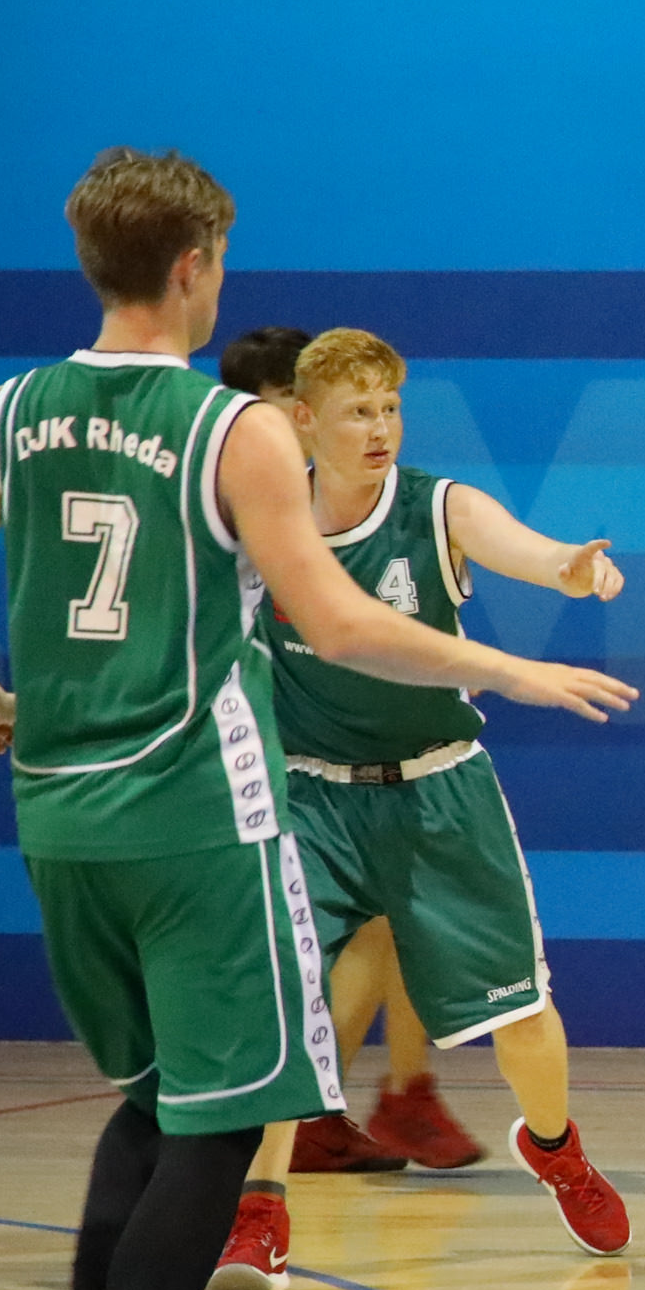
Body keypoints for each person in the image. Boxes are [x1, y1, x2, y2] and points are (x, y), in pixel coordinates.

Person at [0, 149, 634, 1290]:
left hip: (56, 816)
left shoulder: (8, 413)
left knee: (155, 1097)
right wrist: (514, 671)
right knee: (226, 1120)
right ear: (194, 268)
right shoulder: (235, 432)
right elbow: (337, 623)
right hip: (200, 820)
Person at [209, 324, 631, 1290]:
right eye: (357, 411)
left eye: (390, 408)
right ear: (302, 420)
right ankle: (259, 1210)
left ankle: (555, 1147)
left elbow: (526, 548)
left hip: (438, 788)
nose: (380, 428)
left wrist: (569, 565)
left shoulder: (437, 507)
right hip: (310, 793)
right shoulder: (261, 523)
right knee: (280, 1003)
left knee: (521, 1014)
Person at [213, 325, 474, 1191]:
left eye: (384, 408)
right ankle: (310, 1109)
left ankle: (401, 1088)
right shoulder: (244, 518)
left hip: (340, 758)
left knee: (393, 913)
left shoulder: (358, 506)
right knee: (331, 936)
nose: (371, 425)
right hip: (265, 757)